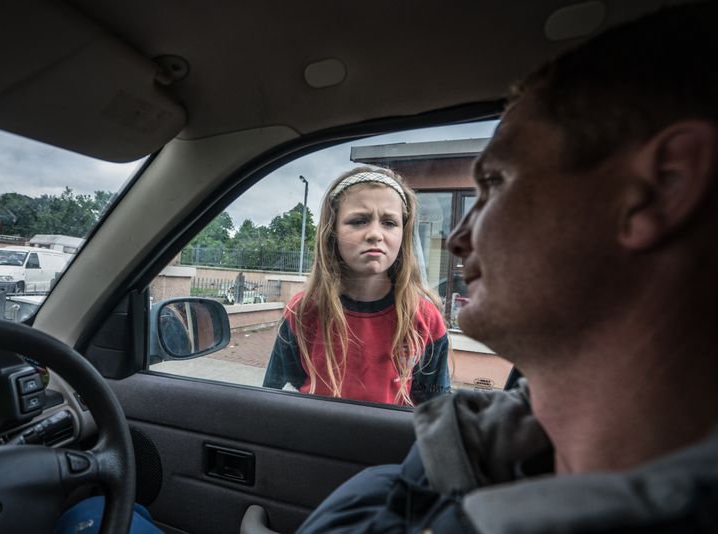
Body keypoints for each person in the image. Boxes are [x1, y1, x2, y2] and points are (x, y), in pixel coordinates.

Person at [298, 2, 718, 532]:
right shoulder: (471, 453)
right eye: (358, 221)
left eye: (495, 183)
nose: (458, 239)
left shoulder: (449, 435)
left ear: (661, 188)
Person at [263, 167, 451, 405]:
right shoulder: (303, 311)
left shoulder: (425, 319)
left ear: (403, 234)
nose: (375, 234)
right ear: (332, 231)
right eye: (359, 221)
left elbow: (436, 410)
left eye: (389, 222)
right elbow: (272, 401)